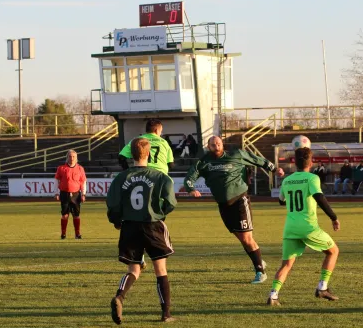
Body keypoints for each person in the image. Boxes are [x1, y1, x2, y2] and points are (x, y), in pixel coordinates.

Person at [184, 136, 285, 284]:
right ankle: (259, 261)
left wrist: (274, 169)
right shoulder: (204, 161)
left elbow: (256, 159)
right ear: (208, 146)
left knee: (246, 238)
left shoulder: (236, 155)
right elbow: (190, 177)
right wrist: (191, 189)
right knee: (241, 238)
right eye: (213, 145)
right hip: (223, 205)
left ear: (222, 144)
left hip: (239, 200)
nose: (216, 146)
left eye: (218, 144)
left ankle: (260, 272)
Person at [107, 138, 177, 324]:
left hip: (130, 225)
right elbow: (171, 202)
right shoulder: (159, 176)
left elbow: (113, 204)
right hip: (152, 224)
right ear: (149, 153)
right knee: (160, 270)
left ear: (131, 154)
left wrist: (116, 221)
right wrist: (160, 214)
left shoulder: (121, 178)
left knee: (134, 268)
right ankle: (166, 314)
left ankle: (120, 297)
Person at [266, 147, 340, 306]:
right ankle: (322, 288)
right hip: (308, 228)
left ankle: (273, 296)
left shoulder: (287, 180)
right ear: (311, 162)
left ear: (295, 163)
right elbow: (319, 197)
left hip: (290, 228)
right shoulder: (312, 178)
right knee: (333, 251)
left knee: (286, 264)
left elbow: (281, 201)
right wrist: (333, 217)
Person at [54, 149, 87, 239]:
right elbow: (56, 180)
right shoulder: (61, 168)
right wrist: (56, 193)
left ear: (76, 158)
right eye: (70, 156)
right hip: (64, 194)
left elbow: (83, 182)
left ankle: (77, 234)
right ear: (67, 157)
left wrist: (83, 194)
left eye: (73, 157)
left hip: (76, 194)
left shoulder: (80, 169)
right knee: (65, 214)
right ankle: (63, 234)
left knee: (76, 214)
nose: (72, 158)